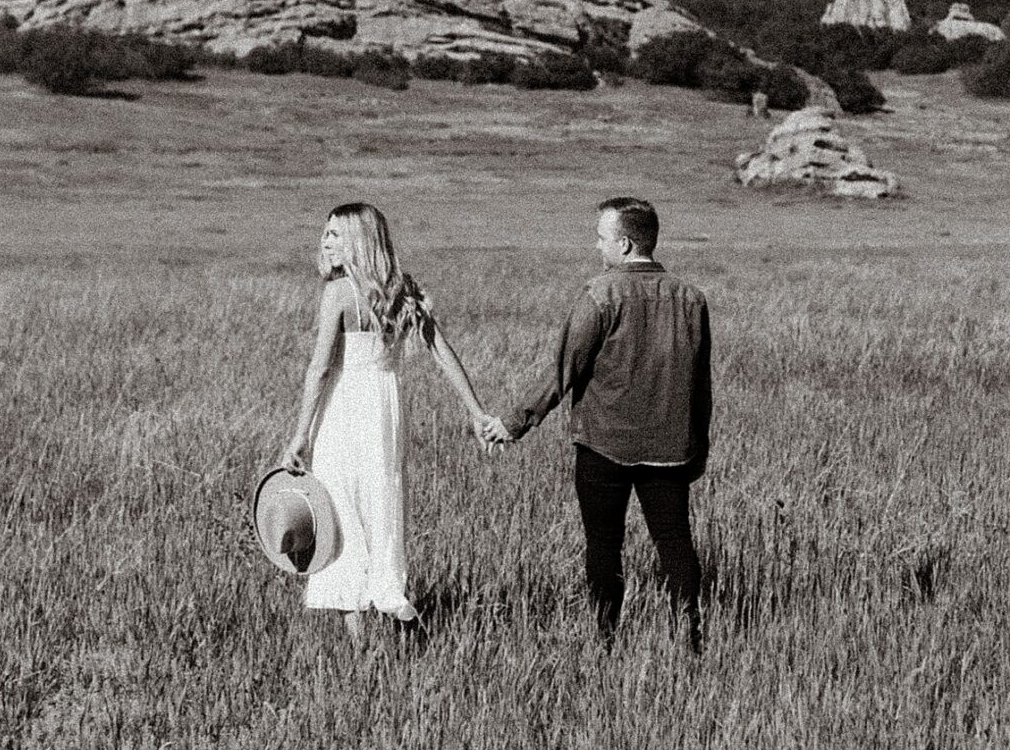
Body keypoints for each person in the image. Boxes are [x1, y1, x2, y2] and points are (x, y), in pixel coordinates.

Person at [483, 197, 711, 647]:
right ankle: (692, 640)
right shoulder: (691, 299)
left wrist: (514, 423)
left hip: (603, 446)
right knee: (676, 543)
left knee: (604, 547)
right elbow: (700, 384)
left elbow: (562, 372)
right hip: (670, 450)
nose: (597, 247)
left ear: (625, 244)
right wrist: (697, 448)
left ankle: (606, 640)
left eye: (602, 238)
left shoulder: (600, 294)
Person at [282, 202, 494, 632]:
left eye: (335, 234)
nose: (325, 241)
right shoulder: (403, 289)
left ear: (359, 241)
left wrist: (300, 435)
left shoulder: (339, 292)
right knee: (381, 503)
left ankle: (360, 641)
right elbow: (441, 351)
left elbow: (320, 369)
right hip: (384, 405)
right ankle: (389, 594)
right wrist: (475, 410)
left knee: (340, 511)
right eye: (325, 233)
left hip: (343, 407)